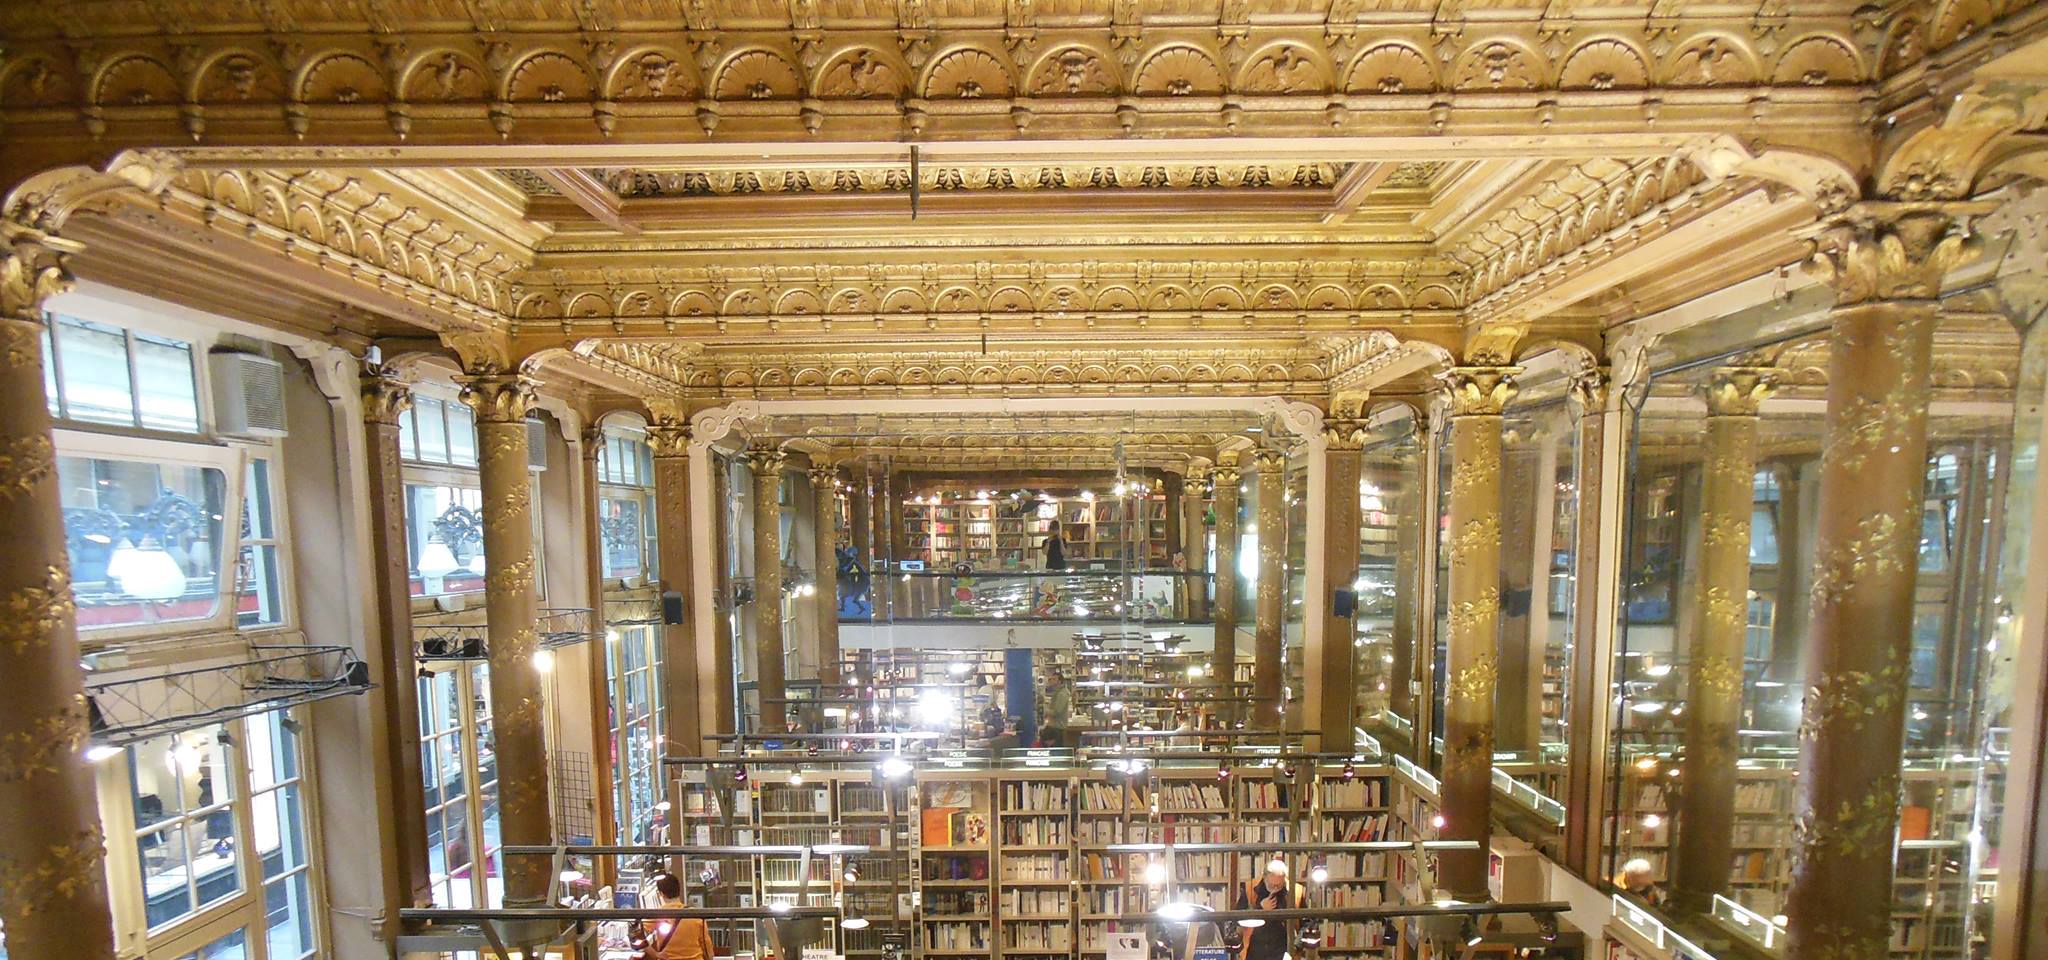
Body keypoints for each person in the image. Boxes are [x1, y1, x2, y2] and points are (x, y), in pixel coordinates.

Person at [1234, 860, 1307, 960]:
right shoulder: (1250, 888)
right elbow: (1237, 920)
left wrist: (1295, 947)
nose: (1275, 888)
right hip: (1254, 951)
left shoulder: (1296, 891)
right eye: (1272, 885)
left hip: (1283, 951)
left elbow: (1307, 924)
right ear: (1264, 878)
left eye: (1279, 885)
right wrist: (1260, 909)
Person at [644, 872, 717, 960]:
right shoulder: (696, 915)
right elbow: (706, 945)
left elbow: (635, 938)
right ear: (679, 890)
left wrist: (655, 954)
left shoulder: (657, 915)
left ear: (661, 894)